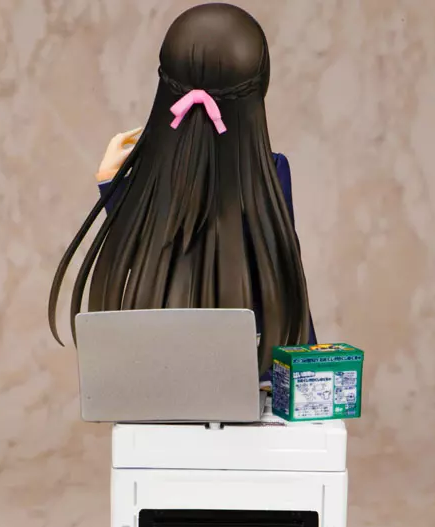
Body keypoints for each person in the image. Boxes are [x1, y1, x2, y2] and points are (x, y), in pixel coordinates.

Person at [48, 2, 317, 378]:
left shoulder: (150, 178)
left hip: (160, 371)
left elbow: (141, 246)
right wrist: (307, 369)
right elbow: (283, 273)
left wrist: (112, 181)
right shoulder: (270, 173)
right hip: (247, 369)